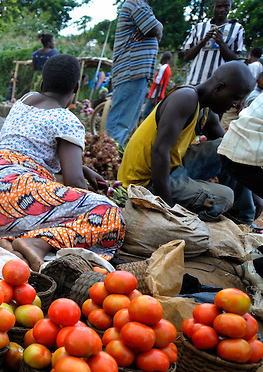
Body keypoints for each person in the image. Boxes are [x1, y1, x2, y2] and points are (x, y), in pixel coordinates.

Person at [0, 54, 125, 272]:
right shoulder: (67, 120)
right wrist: (91, 198)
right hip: (16, 193)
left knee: (49, 202)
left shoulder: (24, 101)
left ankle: (10, 241)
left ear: (42, 83)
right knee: (109, 213)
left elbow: (31, 149)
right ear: (76, 88)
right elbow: (73, 181)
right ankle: (37, 243)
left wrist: (83, 168)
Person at [118, 61, 255, 223]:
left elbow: (230, 149)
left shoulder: (205, 111)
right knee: (225, 197)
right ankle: (193, 213)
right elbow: (159, 153)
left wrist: (251, 194)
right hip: (145, 184)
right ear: (218, 88)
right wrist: (168, 208)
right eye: (236, 98)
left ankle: (243, 220)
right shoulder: (185, 98)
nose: (237, 106)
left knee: (229, 148)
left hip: (173, 171)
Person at [104, 0, 163, 147]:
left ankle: (110, 157)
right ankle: (106, 159)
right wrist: (154, 28)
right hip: (131, 71)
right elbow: (155, 31)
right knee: (120, 123)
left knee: (125, 123)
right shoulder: (135, 3)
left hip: (135, 72)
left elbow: (157, 30)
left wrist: (156, 27)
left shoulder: (141, 5)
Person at [182, 0, 245, 86]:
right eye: (219, 6)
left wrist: (221, 42)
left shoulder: (237, 28)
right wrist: (203, 42)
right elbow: (186, 57)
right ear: (213, 7)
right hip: (194, 82)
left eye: (226, 6)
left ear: (230, 7)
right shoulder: (200, 27)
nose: (222, 10)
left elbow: (234, 60)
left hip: (218, 85)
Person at [142, 51, 172, 120]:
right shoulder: (168, 69)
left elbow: (159, 83)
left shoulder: (163, 68)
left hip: (154, 96)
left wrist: (154, 98)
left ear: (163, 57)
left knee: (146, 115)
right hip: (159, 96)